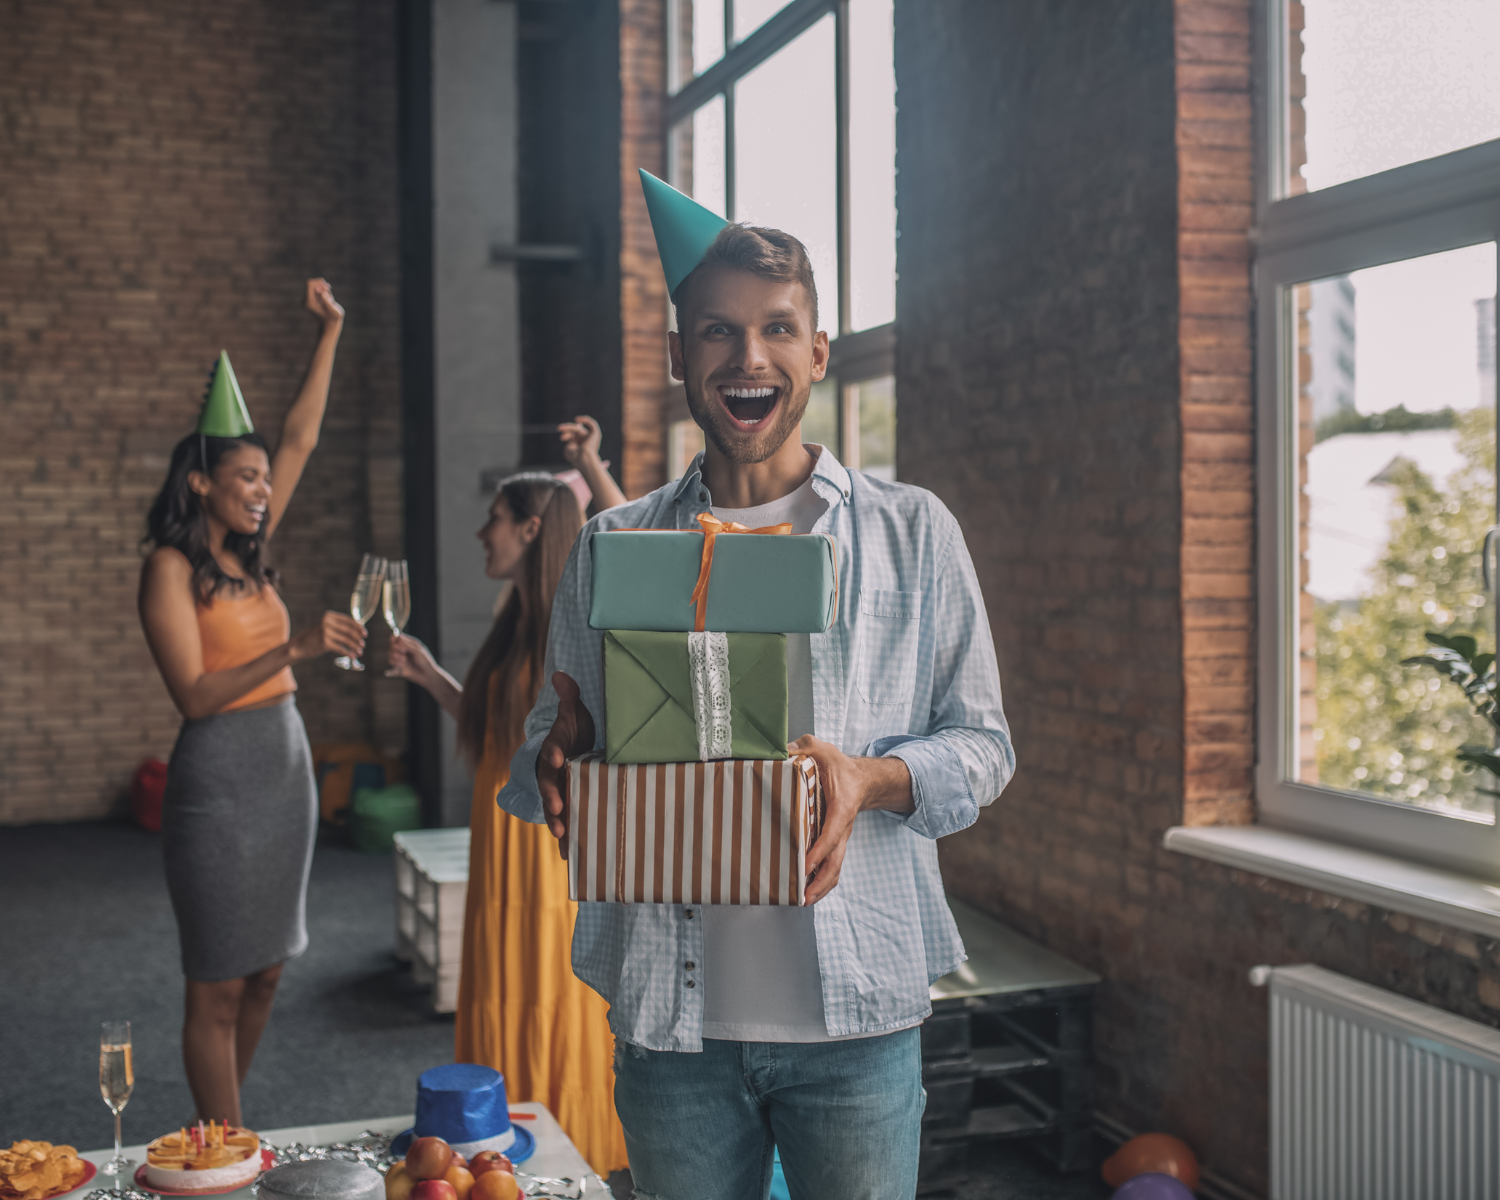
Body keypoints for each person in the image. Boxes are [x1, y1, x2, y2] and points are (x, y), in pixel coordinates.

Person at [498, 173, 1014, 1199]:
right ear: (683, 356)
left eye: (778, 329)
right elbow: (543, 757)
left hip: (858, 1019)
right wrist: (557, 760)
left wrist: (868, 780)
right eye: (718, 332)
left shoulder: (913, 533)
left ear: (817, 355)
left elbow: (984, 749)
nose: (749, 357)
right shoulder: (612, 545)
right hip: (672, 1024)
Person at [138, 279, 362, 1124]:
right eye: (246, 477)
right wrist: (293, 647)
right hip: (220, 779)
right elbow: (193, 696)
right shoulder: (168, 567)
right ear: (201, 484)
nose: (265, 489)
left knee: (267, 969)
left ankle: (222, 1127)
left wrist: (331, 331)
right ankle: (226, 1143)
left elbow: (301, 435)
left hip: (284, 768)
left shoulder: (253, 550)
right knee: (219, 979)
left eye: (267, 478)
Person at [387, 451, 630, 1177]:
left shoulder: (574, 620)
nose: (479, 534)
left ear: (529, 529)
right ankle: (503, 1147)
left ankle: (563, 1151)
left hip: (545, 853)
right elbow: (503, 736)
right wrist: (431, 676)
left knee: (549, 998)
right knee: (500, 990)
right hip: (500, 843)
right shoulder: (515, 618)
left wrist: (592, 465)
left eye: (492, 520)